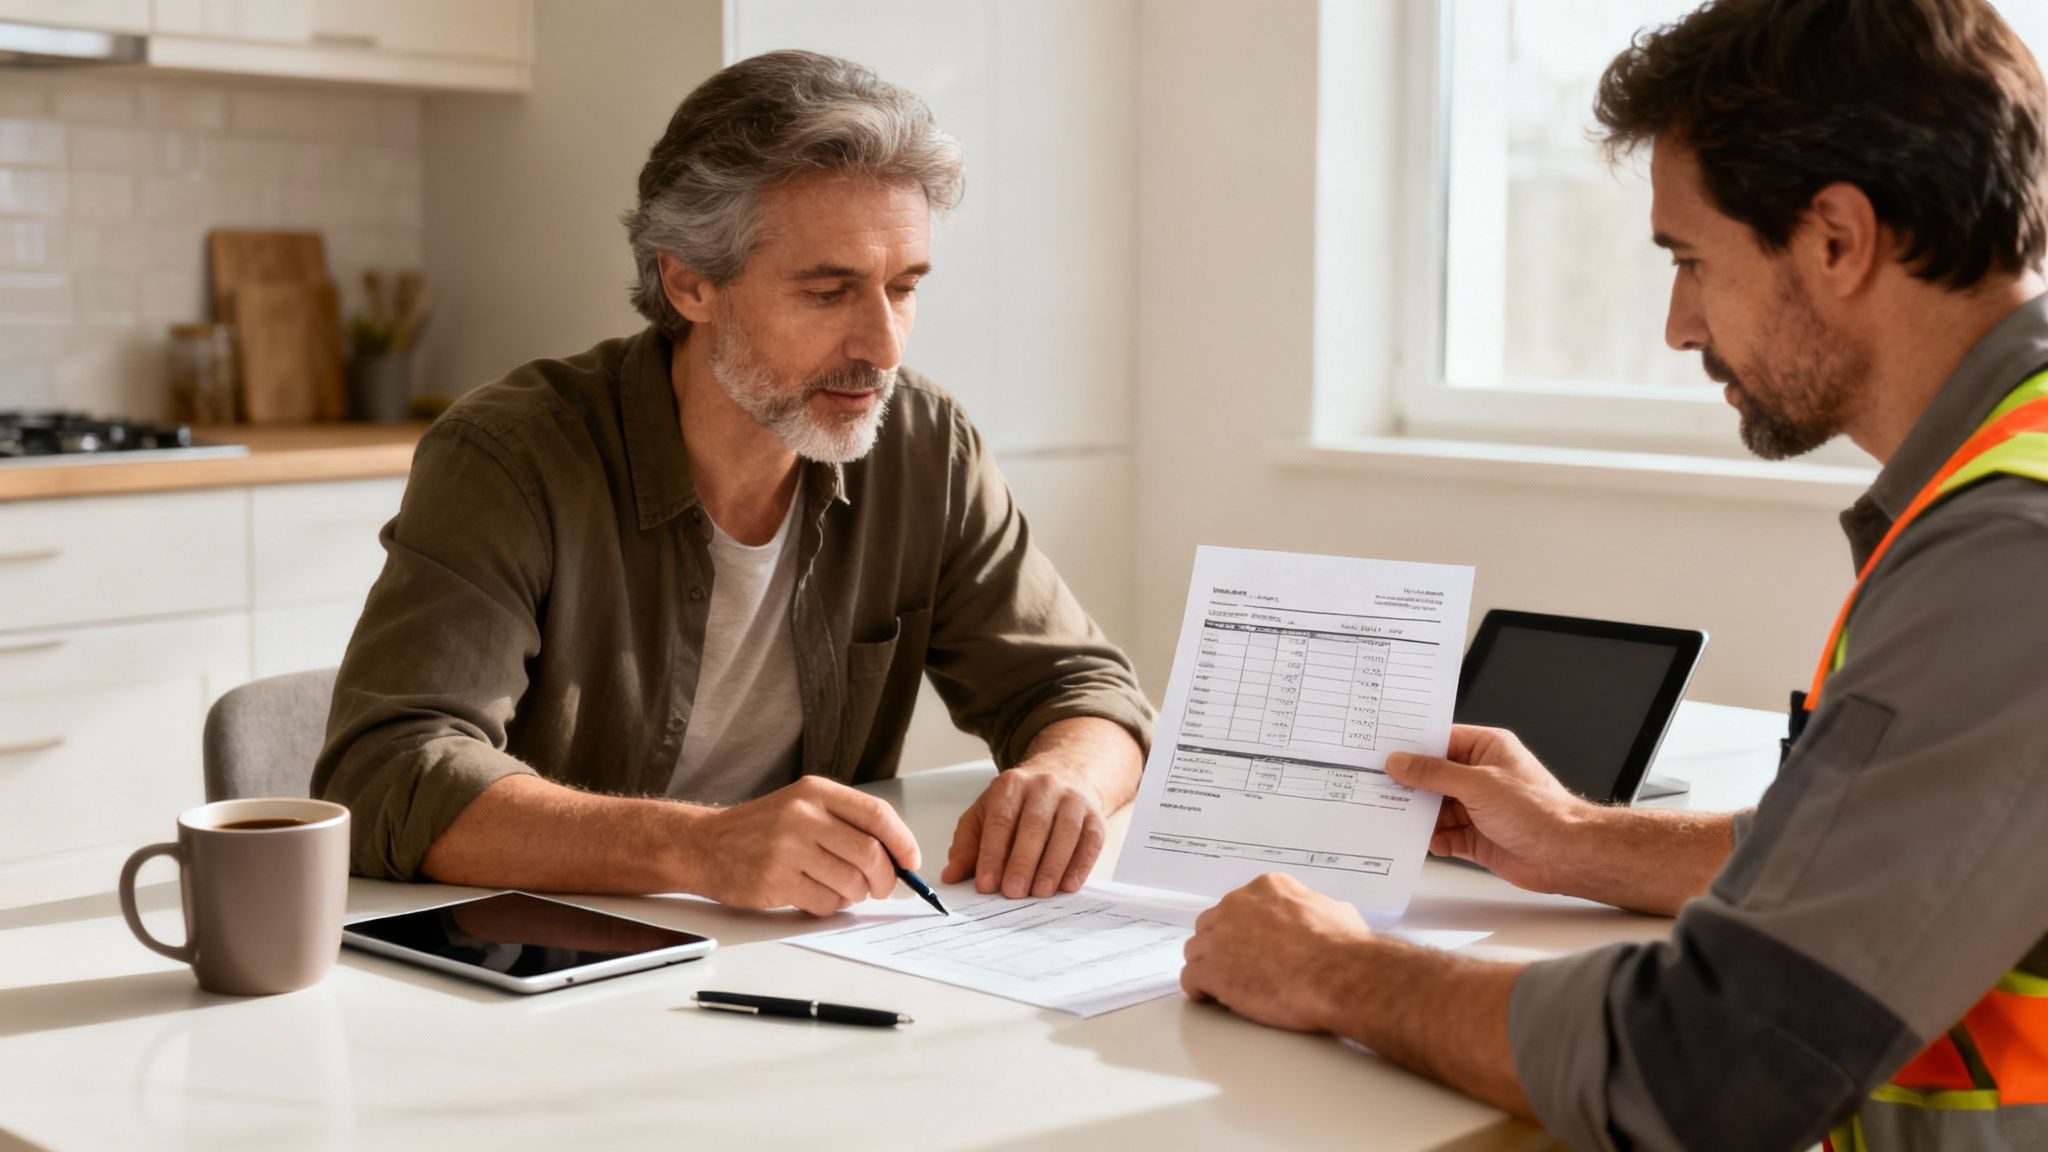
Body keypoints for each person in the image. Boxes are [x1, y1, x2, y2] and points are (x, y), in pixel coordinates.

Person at [1180, 1, 2048, 1148]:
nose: (1677, 326)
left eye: (1690, 261)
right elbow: (1888, 855)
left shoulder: (2007, 553)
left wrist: (1335, 969)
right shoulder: (2006, 479)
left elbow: (1704, 1067)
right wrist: (1577, 839)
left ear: (1837, 238)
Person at [314, 50, 1153, 918]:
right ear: (689, 282)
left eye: (903, 289)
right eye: (830, 293)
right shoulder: (512, 457)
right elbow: (388, 771)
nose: (886, 346)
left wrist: (1067, 779)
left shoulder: (923, 447)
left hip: (810, 959)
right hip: (547, 962)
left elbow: (1088, 694)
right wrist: (701, 848)